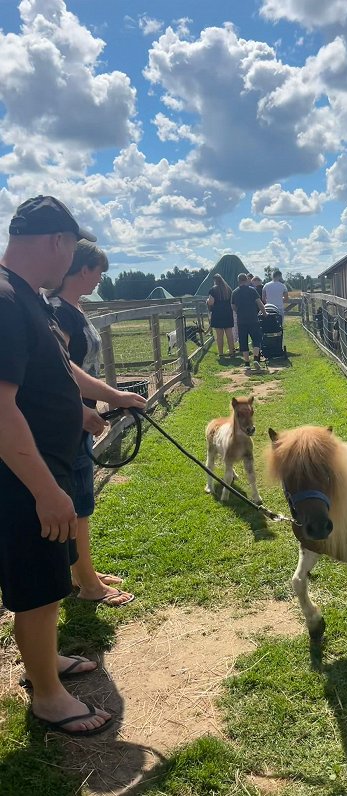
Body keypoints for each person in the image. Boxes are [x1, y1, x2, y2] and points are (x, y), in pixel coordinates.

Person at [0, 195, 146, 736]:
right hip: (23, 476)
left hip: (46, 465)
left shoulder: (28, 299)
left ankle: (46, 661)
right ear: (58, 242)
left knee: (49, 580)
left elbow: (62, 374)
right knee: (37, 586)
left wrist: (111, 400)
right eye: (71, 247)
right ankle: (48, 697)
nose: (71, 261)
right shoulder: (6, 300)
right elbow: (1, 407)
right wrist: (45, 489)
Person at [50, 241, 134, 607]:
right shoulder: (59, 313)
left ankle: (83, 569)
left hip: (82, 417)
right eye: (99, 271)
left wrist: (109, 399)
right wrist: (82, 410)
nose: (100, 278)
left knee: (81, 497)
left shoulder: (74, 309)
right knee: (79, 501)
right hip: (70, 422)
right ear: (83, 269)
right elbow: (59, 370)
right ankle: (87, 584)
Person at [231, 273, 266, 371]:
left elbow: (233, 306)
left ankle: (246, 363)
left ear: (238, 280)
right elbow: (260, 303)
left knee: (243, 341)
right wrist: (265, 314)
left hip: (241, 320)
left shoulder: (235, 292)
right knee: (256, 339)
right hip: (253, 318)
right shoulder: (252, 290)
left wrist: (238, 311)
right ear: (246, 280)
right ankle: (255, 359)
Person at [206, 274, 235, 358]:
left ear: (215, 281)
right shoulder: (228, 289)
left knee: (219, 336)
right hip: (227, 313)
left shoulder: (213, 290)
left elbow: (211, 302)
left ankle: (221, 353)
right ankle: (232, 352)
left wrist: (207, 301)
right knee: (229, 334)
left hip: (218, 313)